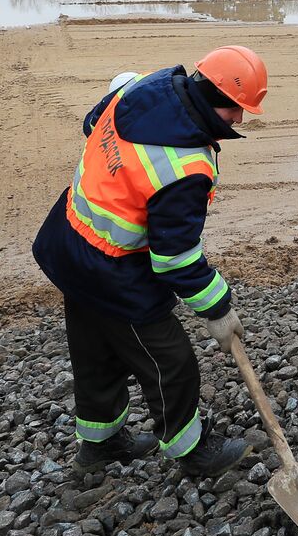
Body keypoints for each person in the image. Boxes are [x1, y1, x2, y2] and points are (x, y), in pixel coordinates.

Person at [33, 45, 267, 476]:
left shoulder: (142, 87)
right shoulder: (187, 167)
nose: (240, 120)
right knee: (169, 361)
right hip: (112, 269)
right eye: (239, 110)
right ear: (223, 101)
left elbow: (92, 124)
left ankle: (99, 446)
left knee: (96, 353)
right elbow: (175, 259)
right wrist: (218, 307)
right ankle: (192, 451)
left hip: (67, 240)